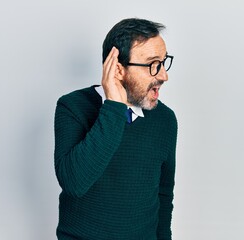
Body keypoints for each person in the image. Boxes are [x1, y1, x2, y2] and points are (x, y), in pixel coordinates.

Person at [54, 17, 178, 240]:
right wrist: (114, 107)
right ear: (118, 70)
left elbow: (163, 195)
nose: (163, 75)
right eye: (153, 65)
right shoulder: (72, 108)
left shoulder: (165, 120)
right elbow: (75, 183)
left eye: (163, 62)